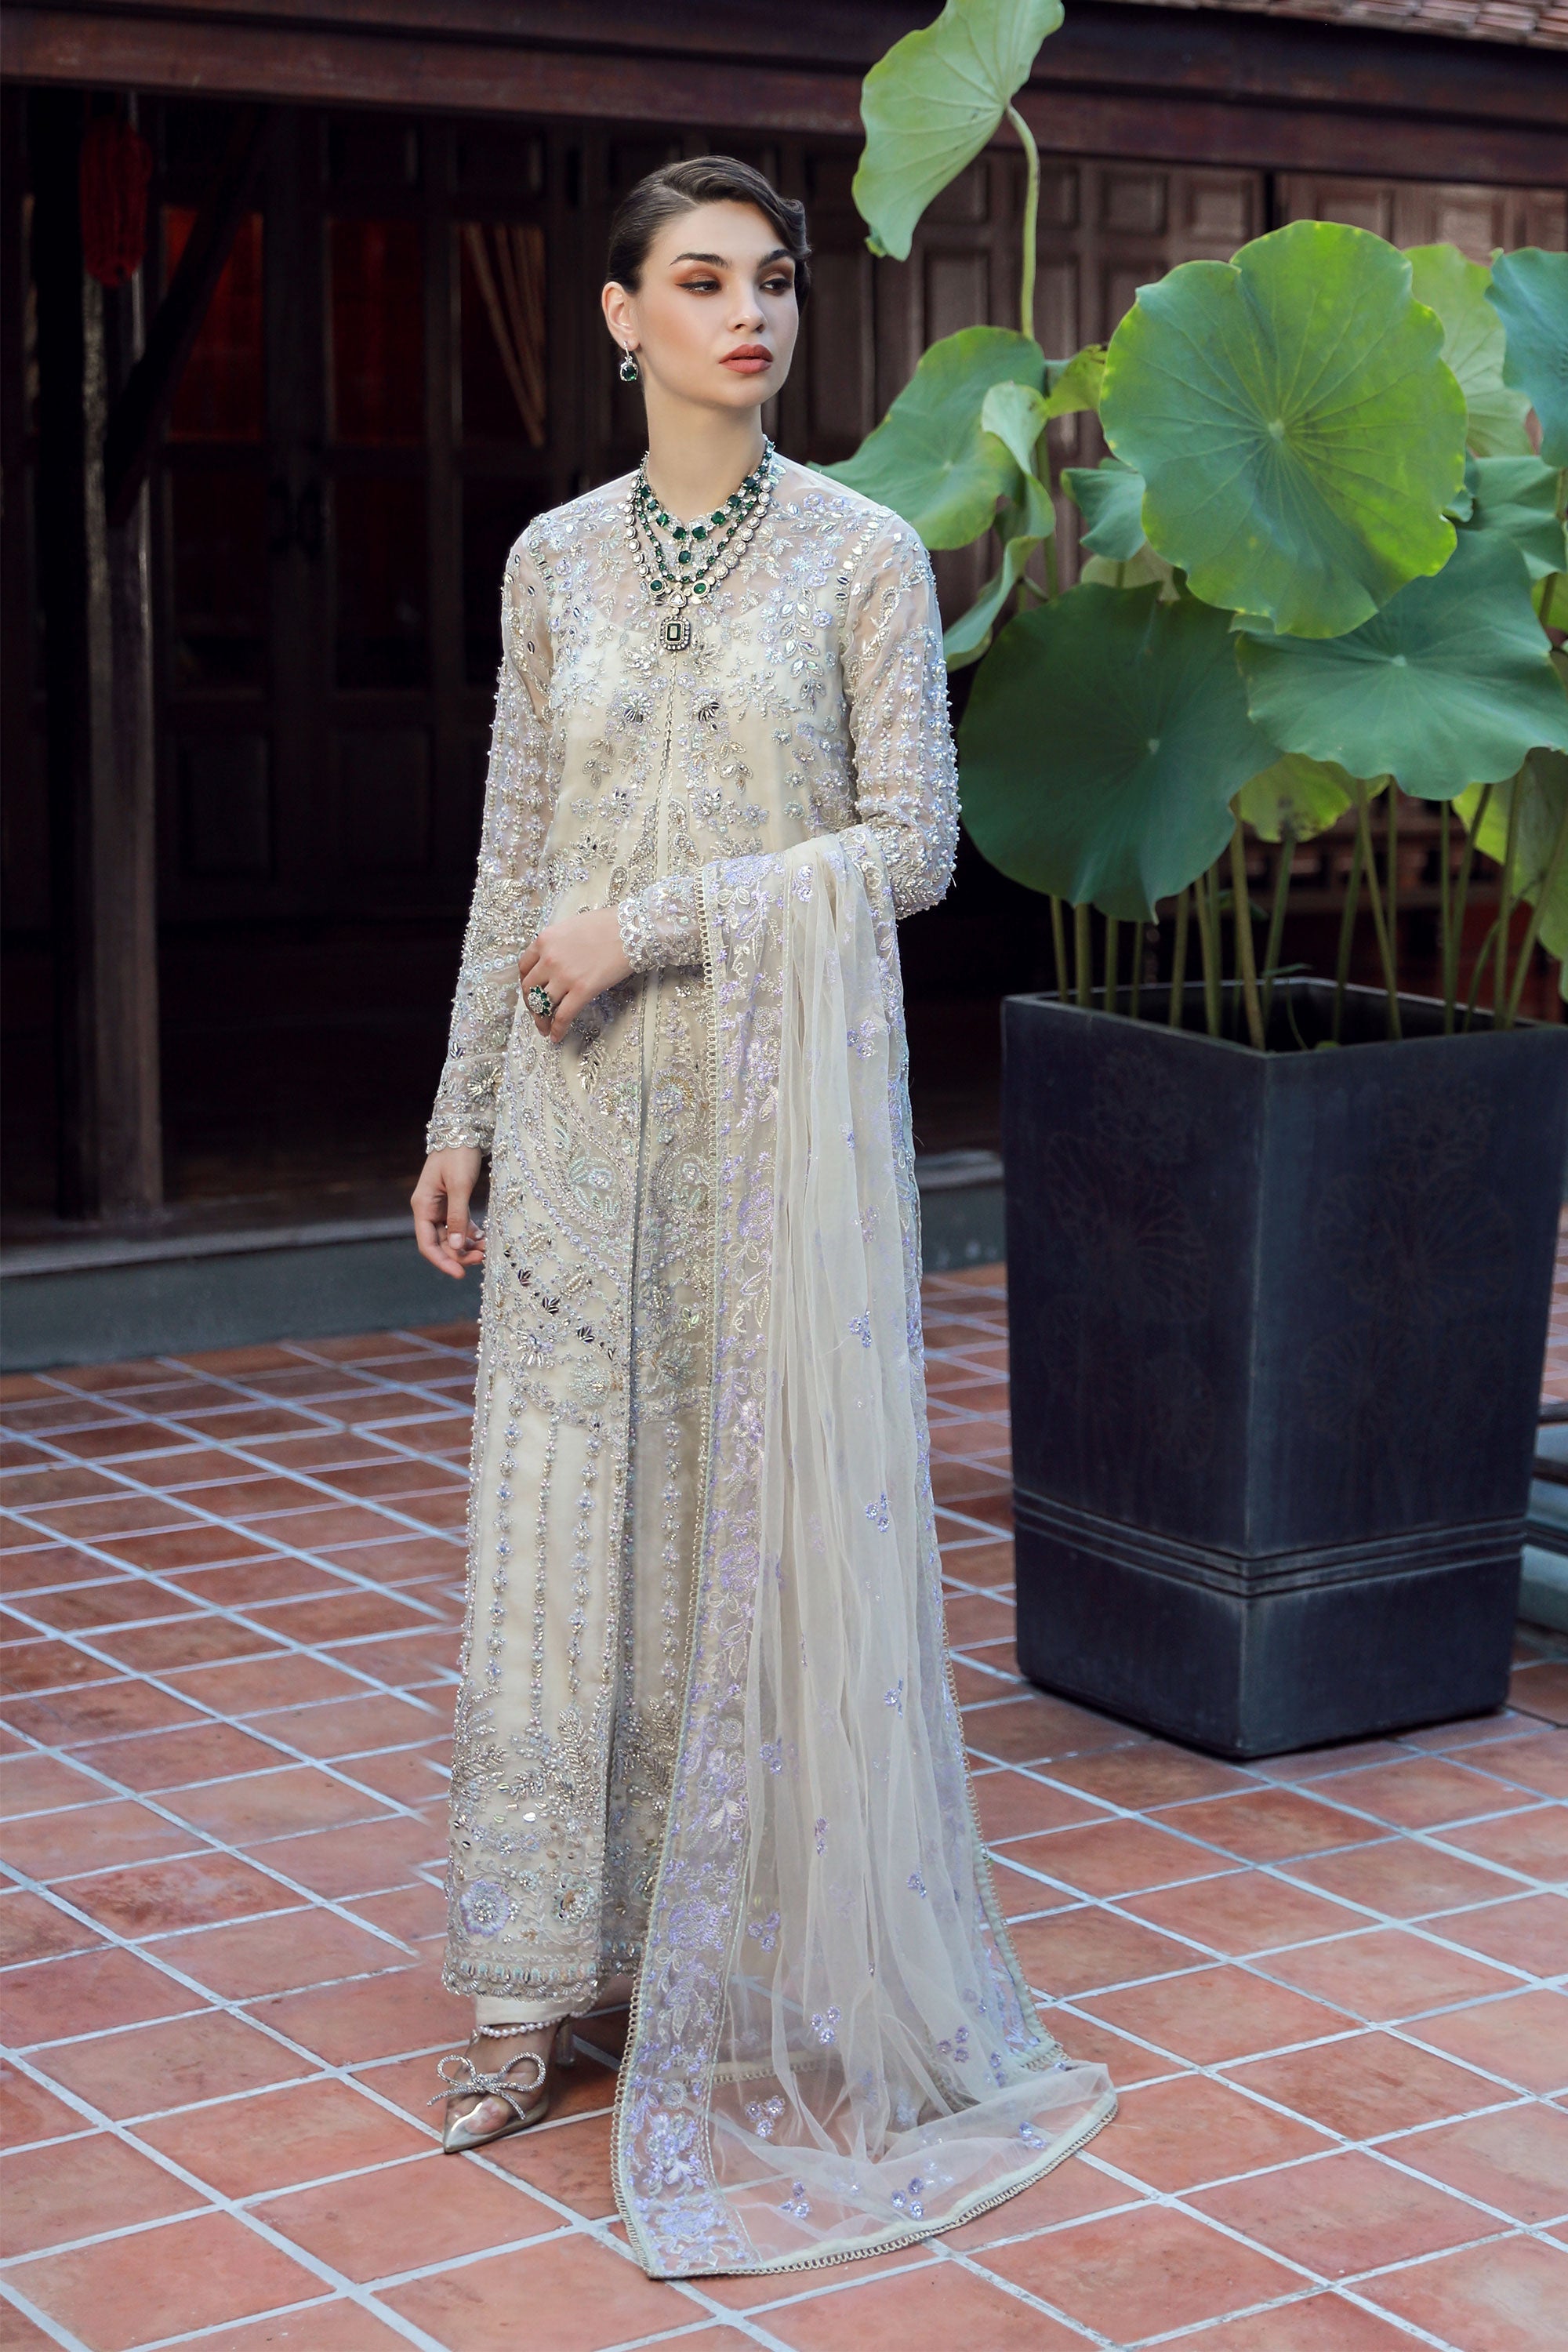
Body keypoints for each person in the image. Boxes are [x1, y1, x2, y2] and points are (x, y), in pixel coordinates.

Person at [409, 154, 1113, 2281]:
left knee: (741, 1515)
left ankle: (734, 1956)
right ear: (621, 318)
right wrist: (459, 1111)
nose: (751, 312)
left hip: (763, 1122)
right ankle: (536, 1981)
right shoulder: (553, 562)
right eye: (702, 280)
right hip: (573, 1110)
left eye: (775, 279)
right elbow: (511, 852)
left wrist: (657, 922)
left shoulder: (862, 557)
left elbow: (912, 847)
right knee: (563, 1523)